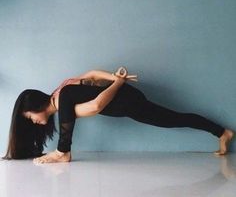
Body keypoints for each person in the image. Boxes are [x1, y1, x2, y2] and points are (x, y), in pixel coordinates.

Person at [2, 67, 234, 164]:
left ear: (36, 105)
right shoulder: (62, 90)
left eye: (29, 116)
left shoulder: (62, 99)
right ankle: (221, 132)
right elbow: (93, 75)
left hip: (130, 103)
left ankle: (223, 132)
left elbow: (96, 105)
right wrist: (115, 79)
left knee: (175, 119)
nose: (33, 120)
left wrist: (117, 82)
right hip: (128, 100)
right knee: (175, 118)